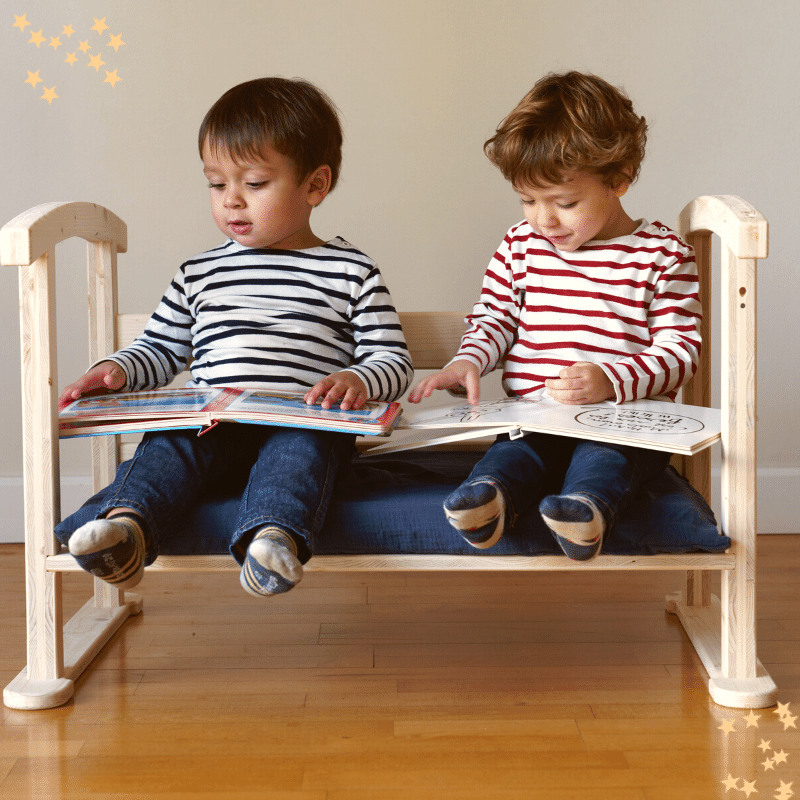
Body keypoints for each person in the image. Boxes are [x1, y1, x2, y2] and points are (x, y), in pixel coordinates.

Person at [57, 77, 413, 595]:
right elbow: (161, 349)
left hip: (298, 422)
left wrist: (358, 378)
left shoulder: (349, 270)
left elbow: (392, 359)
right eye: (217, 184)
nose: (232, 202)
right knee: (165, 444)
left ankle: (272, 541)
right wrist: (117, 369)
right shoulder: (199, 273)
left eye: (254, 184)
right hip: (211, 423)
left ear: (315, 185)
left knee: (303, 449)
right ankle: (127, 530)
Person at [409, 71, 701, 561]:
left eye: (565, 203)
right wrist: (469, 361)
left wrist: (611, 378)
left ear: (620, 178)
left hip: (623, 425)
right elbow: (494, 319)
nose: (543, 219)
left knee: (605, 460)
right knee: (513, 456)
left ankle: (585, 513)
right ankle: (489, 501)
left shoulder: (662, 254)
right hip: (534, 419)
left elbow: (681, 352)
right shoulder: (521, 246)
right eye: (528, 200)